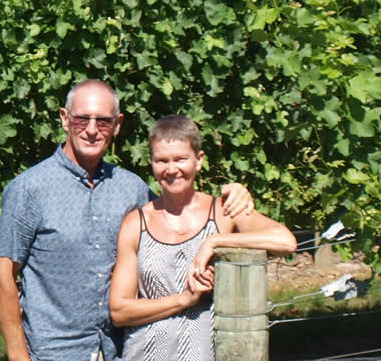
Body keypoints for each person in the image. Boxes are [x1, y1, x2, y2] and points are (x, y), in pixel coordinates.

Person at [0, 80, 257, 361]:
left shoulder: (131, 188)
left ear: (117, 124)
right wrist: (19, 357)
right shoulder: (29, 189)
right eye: (82, 119)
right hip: (54, 351)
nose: (92, 130)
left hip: (120, 350)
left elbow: (180, 215)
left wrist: (237, 196)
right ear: (65, 119)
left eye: (103, 121)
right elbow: (2, 275)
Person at [108, 115, 295, 361]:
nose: (171, 169)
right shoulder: (136, 223)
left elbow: (285, 242)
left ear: (199, 160)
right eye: (162, 160)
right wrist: (184, 299)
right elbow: (120, 311)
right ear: (151, 163)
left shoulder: (223, 212)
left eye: (180, 159)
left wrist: (215, 241)